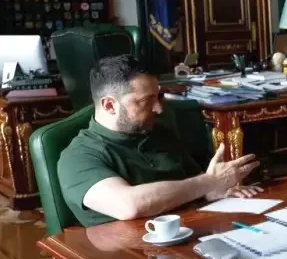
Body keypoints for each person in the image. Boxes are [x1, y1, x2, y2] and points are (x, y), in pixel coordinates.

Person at [58, 55, 262, 227]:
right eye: (146, 101)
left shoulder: (159, 132)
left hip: (192, 231)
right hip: (130, 252)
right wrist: (209, 182)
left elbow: (195, 185)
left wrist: (215, 190)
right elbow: (130, 206)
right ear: (110, 105)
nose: (159, 109)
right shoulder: (78, 157)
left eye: (159, 97)